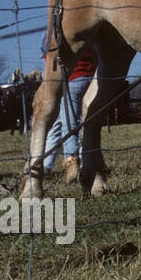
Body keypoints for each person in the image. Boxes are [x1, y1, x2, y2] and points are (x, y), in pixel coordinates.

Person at [42, 43, 97, 183]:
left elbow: (49, 54)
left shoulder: (61, 31)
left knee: (69, 123)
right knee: (81, 122)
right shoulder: (90, 31)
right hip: (91, 77)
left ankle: (72, 162)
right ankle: (46, 166)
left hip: (71, 79)